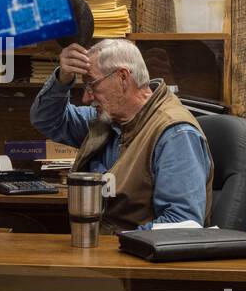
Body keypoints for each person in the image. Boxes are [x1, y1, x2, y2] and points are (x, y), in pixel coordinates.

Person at [31, 38, 212, 232]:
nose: (86, 97)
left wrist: (117, 243)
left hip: (136, 257)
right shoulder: (107, 120)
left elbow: (181, 224)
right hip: (100, 249)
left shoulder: (175, 134)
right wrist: (63, 79)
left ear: (123, 77)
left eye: (92, 85)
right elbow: (47, 120)